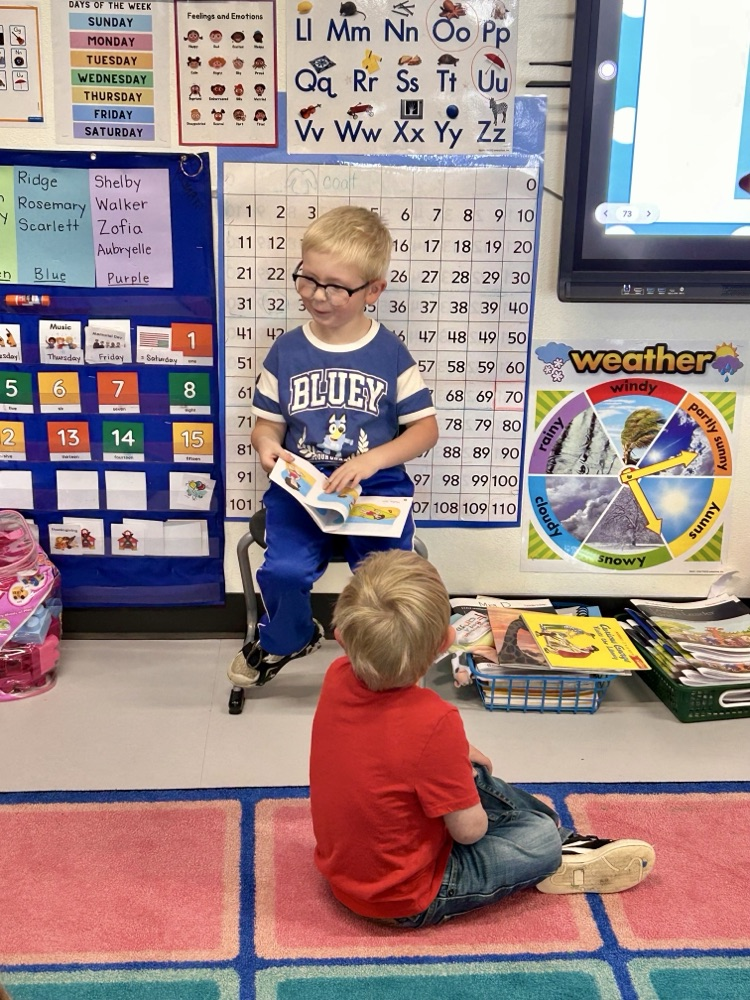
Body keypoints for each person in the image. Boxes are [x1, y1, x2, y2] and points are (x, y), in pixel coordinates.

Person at [309, 550, 656, 926]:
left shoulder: (337, 674)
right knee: (537, 835)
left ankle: (564, 840)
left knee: (473, 774)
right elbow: (469, 833)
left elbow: (385, 748)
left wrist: (459, 764)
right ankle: (560, 847)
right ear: (447, 642)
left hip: (344, 874)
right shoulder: (433, 720)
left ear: (342, 638)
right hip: (406, 898)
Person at [227, 207, 438, 688]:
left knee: (384, 586)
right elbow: (266, 426)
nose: (318, 296)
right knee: (282, 570)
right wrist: (266, 447)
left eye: (336, 287)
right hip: (302, 487)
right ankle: (290, 636)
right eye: (308, 280)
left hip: (374, 486)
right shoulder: (286, 350)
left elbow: (425, 430)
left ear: (373, 290)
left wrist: (371, 460)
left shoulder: (390, 352)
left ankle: (384, 663)